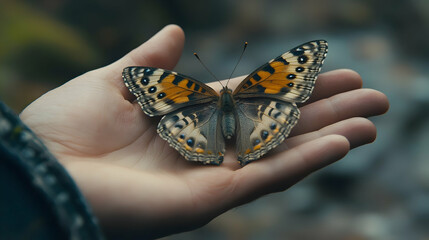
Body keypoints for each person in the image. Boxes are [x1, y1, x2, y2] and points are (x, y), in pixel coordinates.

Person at [16, 24, 388, 239]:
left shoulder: (183, 90)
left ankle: (210, 148)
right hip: (261, 113)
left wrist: (38, 162)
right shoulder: (258, 84)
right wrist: (48, 154)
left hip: (194, 120)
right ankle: (250, 142)